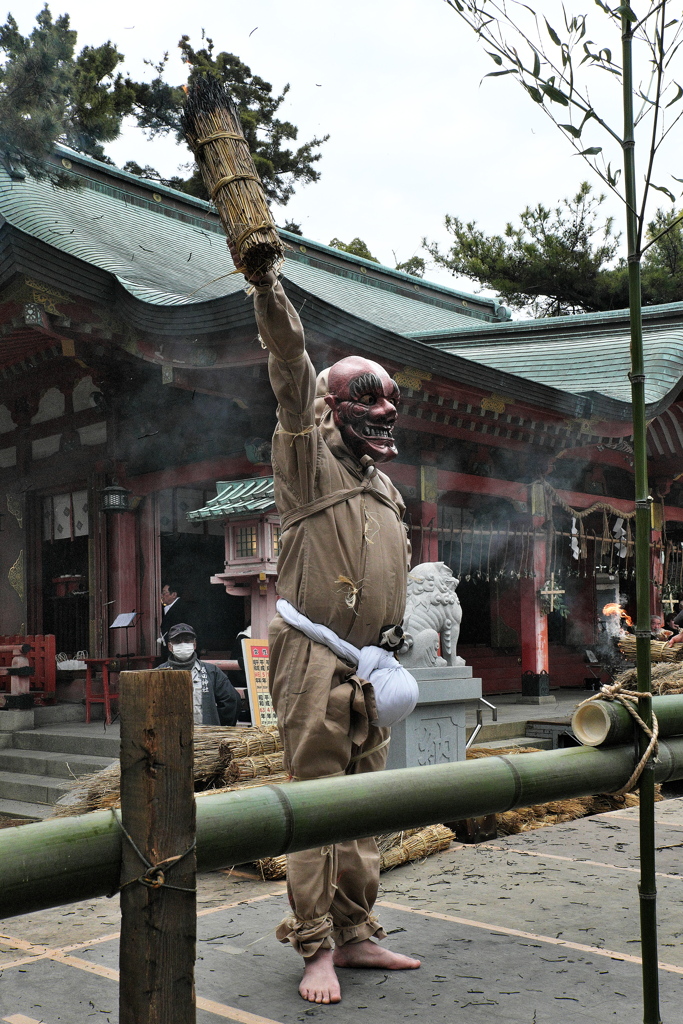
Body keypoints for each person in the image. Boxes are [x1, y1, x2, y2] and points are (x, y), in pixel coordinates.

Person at [250, 266, 420, 1005]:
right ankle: (314, 945)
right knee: (317, 801)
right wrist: (268, 289)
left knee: (365, 802)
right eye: (364, 396)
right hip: (315, 655)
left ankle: (355, 932)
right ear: (328, 404)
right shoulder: (305, 459)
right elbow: (289, 369)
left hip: (371, 664)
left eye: (388, 399)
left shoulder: (384, 486)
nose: (381, 411)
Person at [156, 623, 240, 726]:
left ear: (194, 645)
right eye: (177, 641)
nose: (183, 644)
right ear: (170, 646)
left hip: (205, 736)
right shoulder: (158, 673)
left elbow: (231, 699)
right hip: (171, 736)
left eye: (187, 641)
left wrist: (217, 724)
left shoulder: (211, 671)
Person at [158, 582, 187, 658]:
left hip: (177, 649)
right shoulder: (166, 607)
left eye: (164, 593)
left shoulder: (181, 608)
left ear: (174, 595)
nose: (162, 596)